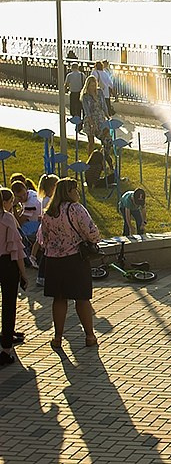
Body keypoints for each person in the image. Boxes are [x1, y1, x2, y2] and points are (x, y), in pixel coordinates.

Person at [37, 178, 99, 349]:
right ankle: (90, 336)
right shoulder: (76, 209)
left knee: (59, 298)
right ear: (68, 192)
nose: (77, 193)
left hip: (53, 261)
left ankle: (57, 338)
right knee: (82, 298)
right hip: (75, 260)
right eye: (75, 189)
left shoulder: (49, 212)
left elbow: (43, 238)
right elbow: (92, 232)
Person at [0, 188, 28, 365]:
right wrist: (24, 274)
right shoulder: (7, 218)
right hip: (6, 263)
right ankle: (6, 347)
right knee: (9, 304)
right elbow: (16, 250)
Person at [80, 75, 109, 157]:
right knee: (91, 142)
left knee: (105, 138)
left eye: (94, 85)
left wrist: (107, 116)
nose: (93, 87)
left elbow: (104, 105)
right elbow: (87, 111)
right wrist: (91, 123)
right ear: (87, 85)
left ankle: (102, 157)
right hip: (90, 120)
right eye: (91, 86)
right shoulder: (85, 96)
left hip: (100, 118)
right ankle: (90, 159)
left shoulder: (99, 92)